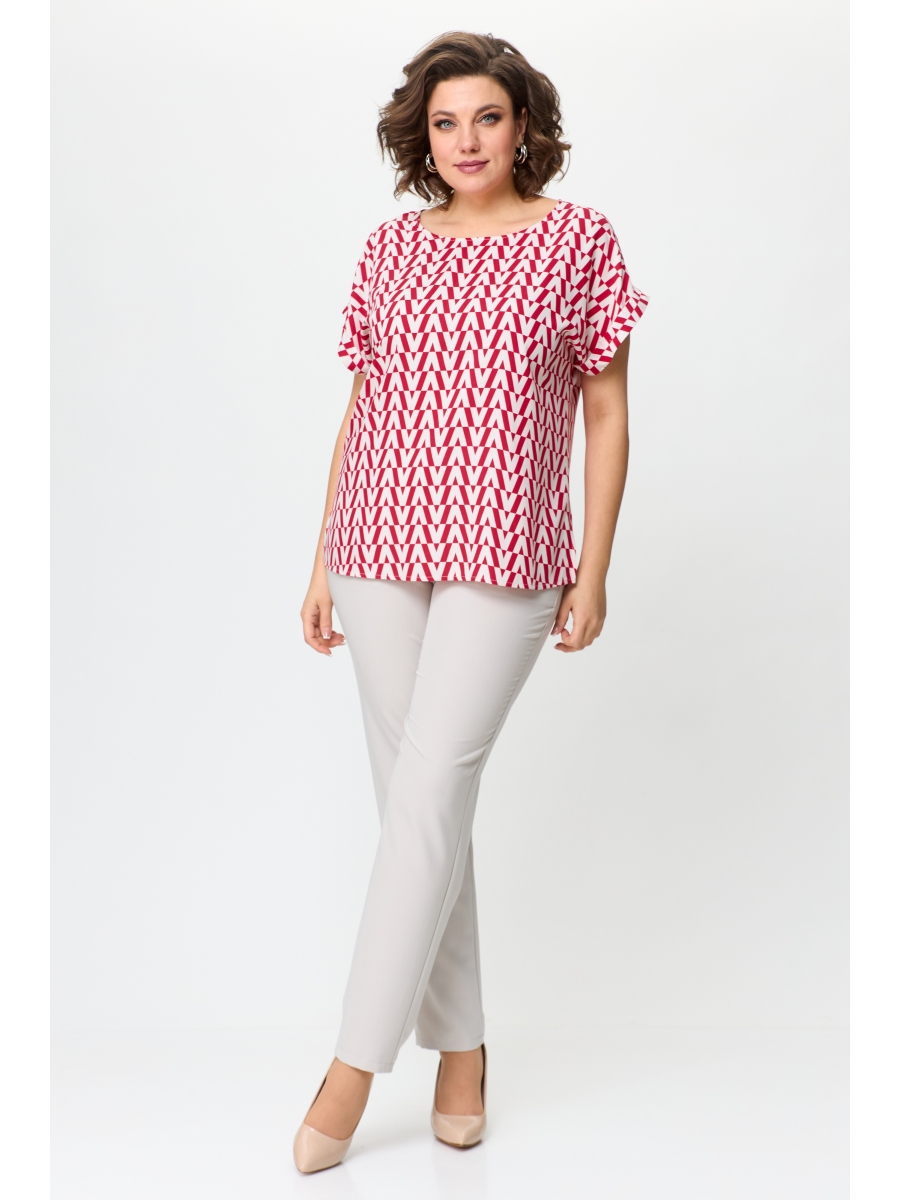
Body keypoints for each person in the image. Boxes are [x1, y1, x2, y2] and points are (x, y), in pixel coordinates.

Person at [294, 30, 648, 1174]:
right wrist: (322, 558)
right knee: (420, 807)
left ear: (523, 124)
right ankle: (462, 1051)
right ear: (423, 137)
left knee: (429, 792)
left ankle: (350, 1069)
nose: (467, 140)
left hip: (509, 552)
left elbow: (606, 416)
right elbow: (364, 406)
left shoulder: (578, 241)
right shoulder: (392, 248)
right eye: (446, 123)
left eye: (487, 117)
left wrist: (594, 568)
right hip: (376, 545)